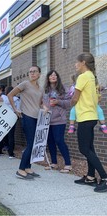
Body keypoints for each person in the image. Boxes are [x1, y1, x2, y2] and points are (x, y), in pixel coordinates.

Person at [71, 52, 107, 193]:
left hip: (85, 117)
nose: (75, 64)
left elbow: (75, 97)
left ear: (83, 63)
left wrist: (70, 103)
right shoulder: (92, 77)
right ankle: (91, 177)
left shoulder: (83, 77)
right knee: (89, 148)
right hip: (91, 116)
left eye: (77, 62)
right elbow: (97, 99)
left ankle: (104, 177)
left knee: (84, 149)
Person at [7, 65, 43, 180]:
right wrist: (15, 109)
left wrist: (45, 108)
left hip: (37, 118)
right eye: (30, 71)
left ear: (39, 74)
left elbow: (39, 103)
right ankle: (21, 169)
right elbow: (10, 95)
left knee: (33, 144)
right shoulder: (25, 84)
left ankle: (28, 167)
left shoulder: (40, 88)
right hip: (27, 117)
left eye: (34, 71)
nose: (32, 73)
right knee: (31, 144)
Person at [42, 70, 72, 173]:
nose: (53, 76)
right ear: (48, 78)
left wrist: (58, 101)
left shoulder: (63, 89)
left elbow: (69, 103)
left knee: (59, 140)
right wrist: (43, 107)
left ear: (57, 77)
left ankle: (68, 164)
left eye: (55, 75)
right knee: (50, 141)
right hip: (47, 120)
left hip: (59, 120)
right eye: (51, 75)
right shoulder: (45, 90)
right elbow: (42, 102)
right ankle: (54, 163)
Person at [0, 86, 20, 158]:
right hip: (12, 118)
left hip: (3, 117)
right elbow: (18, 110)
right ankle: (10, 154)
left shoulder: (2, 98)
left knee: (1, 135)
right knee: (11, 136)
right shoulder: (16, 100)